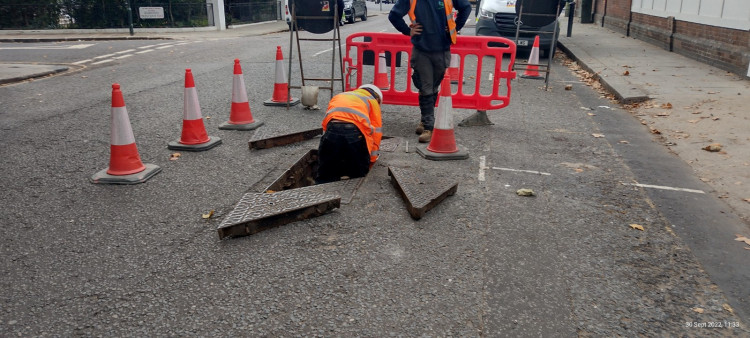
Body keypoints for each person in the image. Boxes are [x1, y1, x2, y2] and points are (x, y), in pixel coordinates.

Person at [389, 0, 471, 143]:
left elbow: (466, 7)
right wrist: (407, 31)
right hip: (422, 50)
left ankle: (424, 119)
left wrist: (455, 27)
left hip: (442, 48)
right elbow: (394, 15)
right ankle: (429, 126)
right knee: (426, 86)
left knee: (433, 87)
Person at [316, 84, 384, 184]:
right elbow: (376, 133)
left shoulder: (341, 95)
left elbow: (326, 123)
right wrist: (371, 160)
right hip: (355, 135)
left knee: (326, 173)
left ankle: (320, 195)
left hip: (332, 131)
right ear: (377, 98)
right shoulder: (372, 101)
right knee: (358, 176)